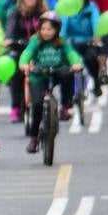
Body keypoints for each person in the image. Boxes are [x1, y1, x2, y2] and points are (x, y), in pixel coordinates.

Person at [20, 12, 82, 153]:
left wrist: (75, 63)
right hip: (39, 74)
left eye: (50, 29)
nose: (46, 32)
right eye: (43, 29)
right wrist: (24, 63)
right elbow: (27, 53)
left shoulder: (62, 42)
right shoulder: (35, 41)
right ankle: (34, 138)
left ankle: (65, 105)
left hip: (57, 71)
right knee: (37, 106)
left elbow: (72, 54)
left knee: (68, 75)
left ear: (57, 30)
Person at [4, 0, 46, 122]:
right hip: (19, 48)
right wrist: (9, 39)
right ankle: (15, 107)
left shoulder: (43, 13)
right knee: (16, 74)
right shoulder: (15, 13)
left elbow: (50, 29)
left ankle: (46, 101)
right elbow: (10, 29)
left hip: (38, 49)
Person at [61, 0, 102, 97]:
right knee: (66, 66)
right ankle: (68, 96)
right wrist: (61, 39)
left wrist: (96, 36)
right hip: (72, 42)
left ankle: (96, 81)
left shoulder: (91, 9)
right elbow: (64, 26)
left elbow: (95, 22)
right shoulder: (68, 9)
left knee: (91, 59)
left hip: (89, 41)